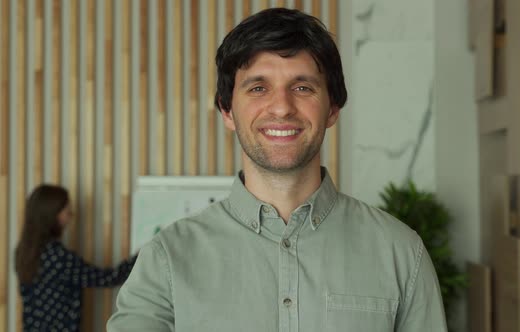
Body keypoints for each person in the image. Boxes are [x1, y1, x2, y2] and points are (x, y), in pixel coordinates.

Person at [108, 7, 446, 331]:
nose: (282, 108)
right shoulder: (166, 259)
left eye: (302, 87)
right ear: (227, 111)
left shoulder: (400, 252)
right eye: (258, 88)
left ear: (332, 109)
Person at [15, 184, 137, 331]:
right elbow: (108, 278)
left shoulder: (23, 252)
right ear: (52, 213)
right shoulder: (58, 257)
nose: (71, 214)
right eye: (66, 209)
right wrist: (142, 256)